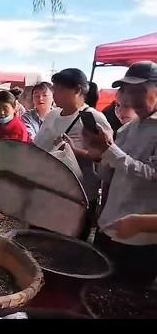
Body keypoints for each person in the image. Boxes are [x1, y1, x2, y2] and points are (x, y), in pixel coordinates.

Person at [83, 61, 157, 284]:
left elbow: (153, 175)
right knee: (94, 290)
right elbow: (109, 175)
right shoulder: (126, 129)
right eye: (127, 91)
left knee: (126, 299)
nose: (133, 99)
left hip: (140, 239)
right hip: (109, 228)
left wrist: (110, 151)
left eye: (140, 91)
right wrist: (99, 153)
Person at [34, 68, 112, 238]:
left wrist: (73, 151)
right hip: (48, 191)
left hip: (78, 196)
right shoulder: (52, 115)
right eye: (54, 89)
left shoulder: (93, 118)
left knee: (69, 248)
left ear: (77, 90)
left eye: (60, 90)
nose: (55, 94)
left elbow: (105, 157)